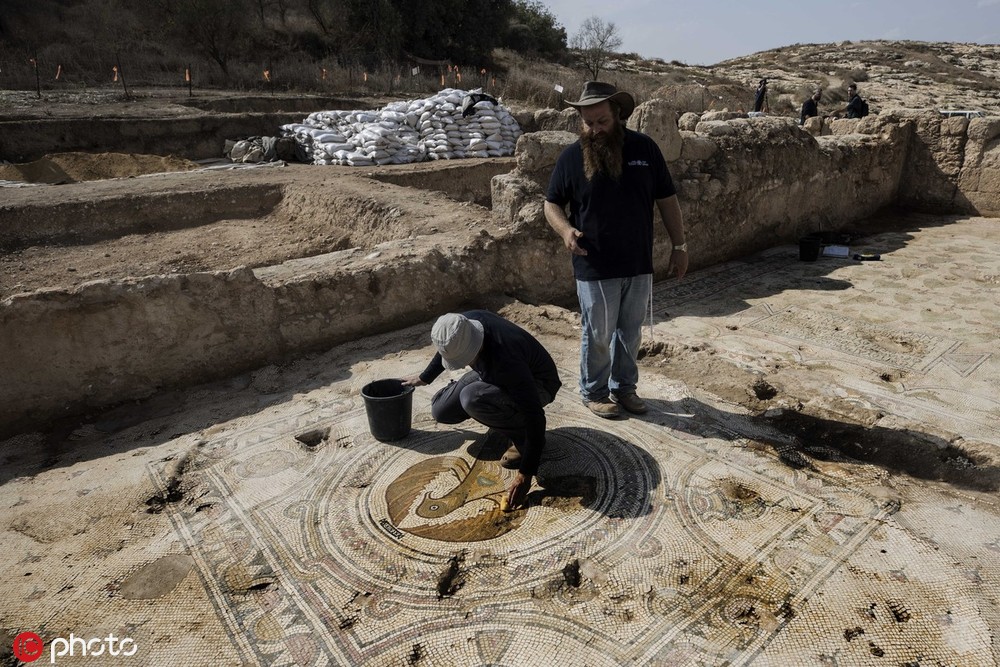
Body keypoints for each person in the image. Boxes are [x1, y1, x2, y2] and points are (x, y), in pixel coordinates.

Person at [544, 81, 688, 420]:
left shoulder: (645, 150)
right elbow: (551, 204)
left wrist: (680, 245)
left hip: (637, 262)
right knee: (598, 334)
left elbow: (667, 200)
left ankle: (624, 388)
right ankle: (594, 391)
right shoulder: (571, 158)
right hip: (593, 264)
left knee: (630, 332)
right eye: (588, 123)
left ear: (618, 116)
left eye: (602, 122)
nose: (595, 130)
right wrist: (565, 230)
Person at [401, 311, 561, 509]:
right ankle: (491, 402)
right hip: (492, 371)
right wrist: (424, 377)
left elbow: (535, 415)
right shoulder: (461, 324)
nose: (465, 363)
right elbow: (446, 348)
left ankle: (521, 439)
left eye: (466, 358)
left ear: (474, 345)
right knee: (441, 410)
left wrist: (525, 474)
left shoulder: (506, 359)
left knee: (471, 399)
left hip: (539, 384)